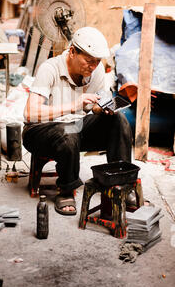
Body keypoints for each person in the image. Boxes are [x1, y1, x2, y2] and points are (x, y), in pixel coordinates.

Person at [22, 27, 133, 216]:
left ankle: (121, 185)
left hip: (76, 127)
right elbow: (30, 113)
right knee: (68, 131)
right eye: (88, 61)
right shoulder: (50, 68)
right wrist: (74, 105)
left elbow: (91, 107)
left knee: (118, 120)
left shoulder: (95, 71)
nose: (92, 66)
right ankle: (66, 190)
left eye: (97, 62)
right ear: (72, 51)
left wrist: (100, 109)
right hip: (40, 131)